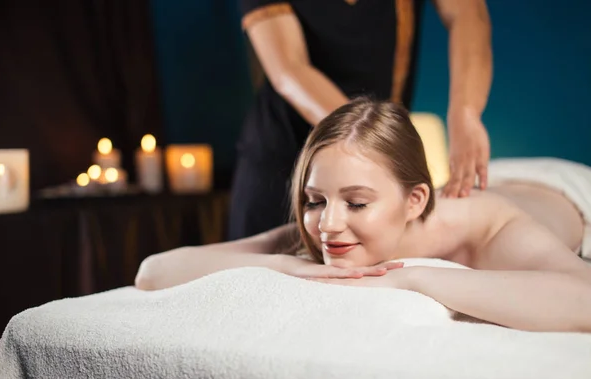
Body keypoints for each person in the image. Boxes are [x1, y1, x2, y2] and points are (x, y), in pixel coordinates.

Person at [136, 98, 591, 333]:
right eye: (315, 200)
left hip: (563, 188)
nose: (328, 225)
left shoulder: (489, 227)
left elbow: (583, 301)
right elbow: (153, 272)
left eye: (356, 203)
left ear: (414, 202)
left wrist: (413, 277)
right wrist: (282, 262)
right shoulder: (325, 225)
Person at [228, 0, 493, 240]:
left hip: (372, 162)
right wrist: (371, 143)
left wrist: (466, 113)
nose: (330, 223)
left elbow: (467, 13)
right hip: (282, 159)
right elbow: (289, 68)